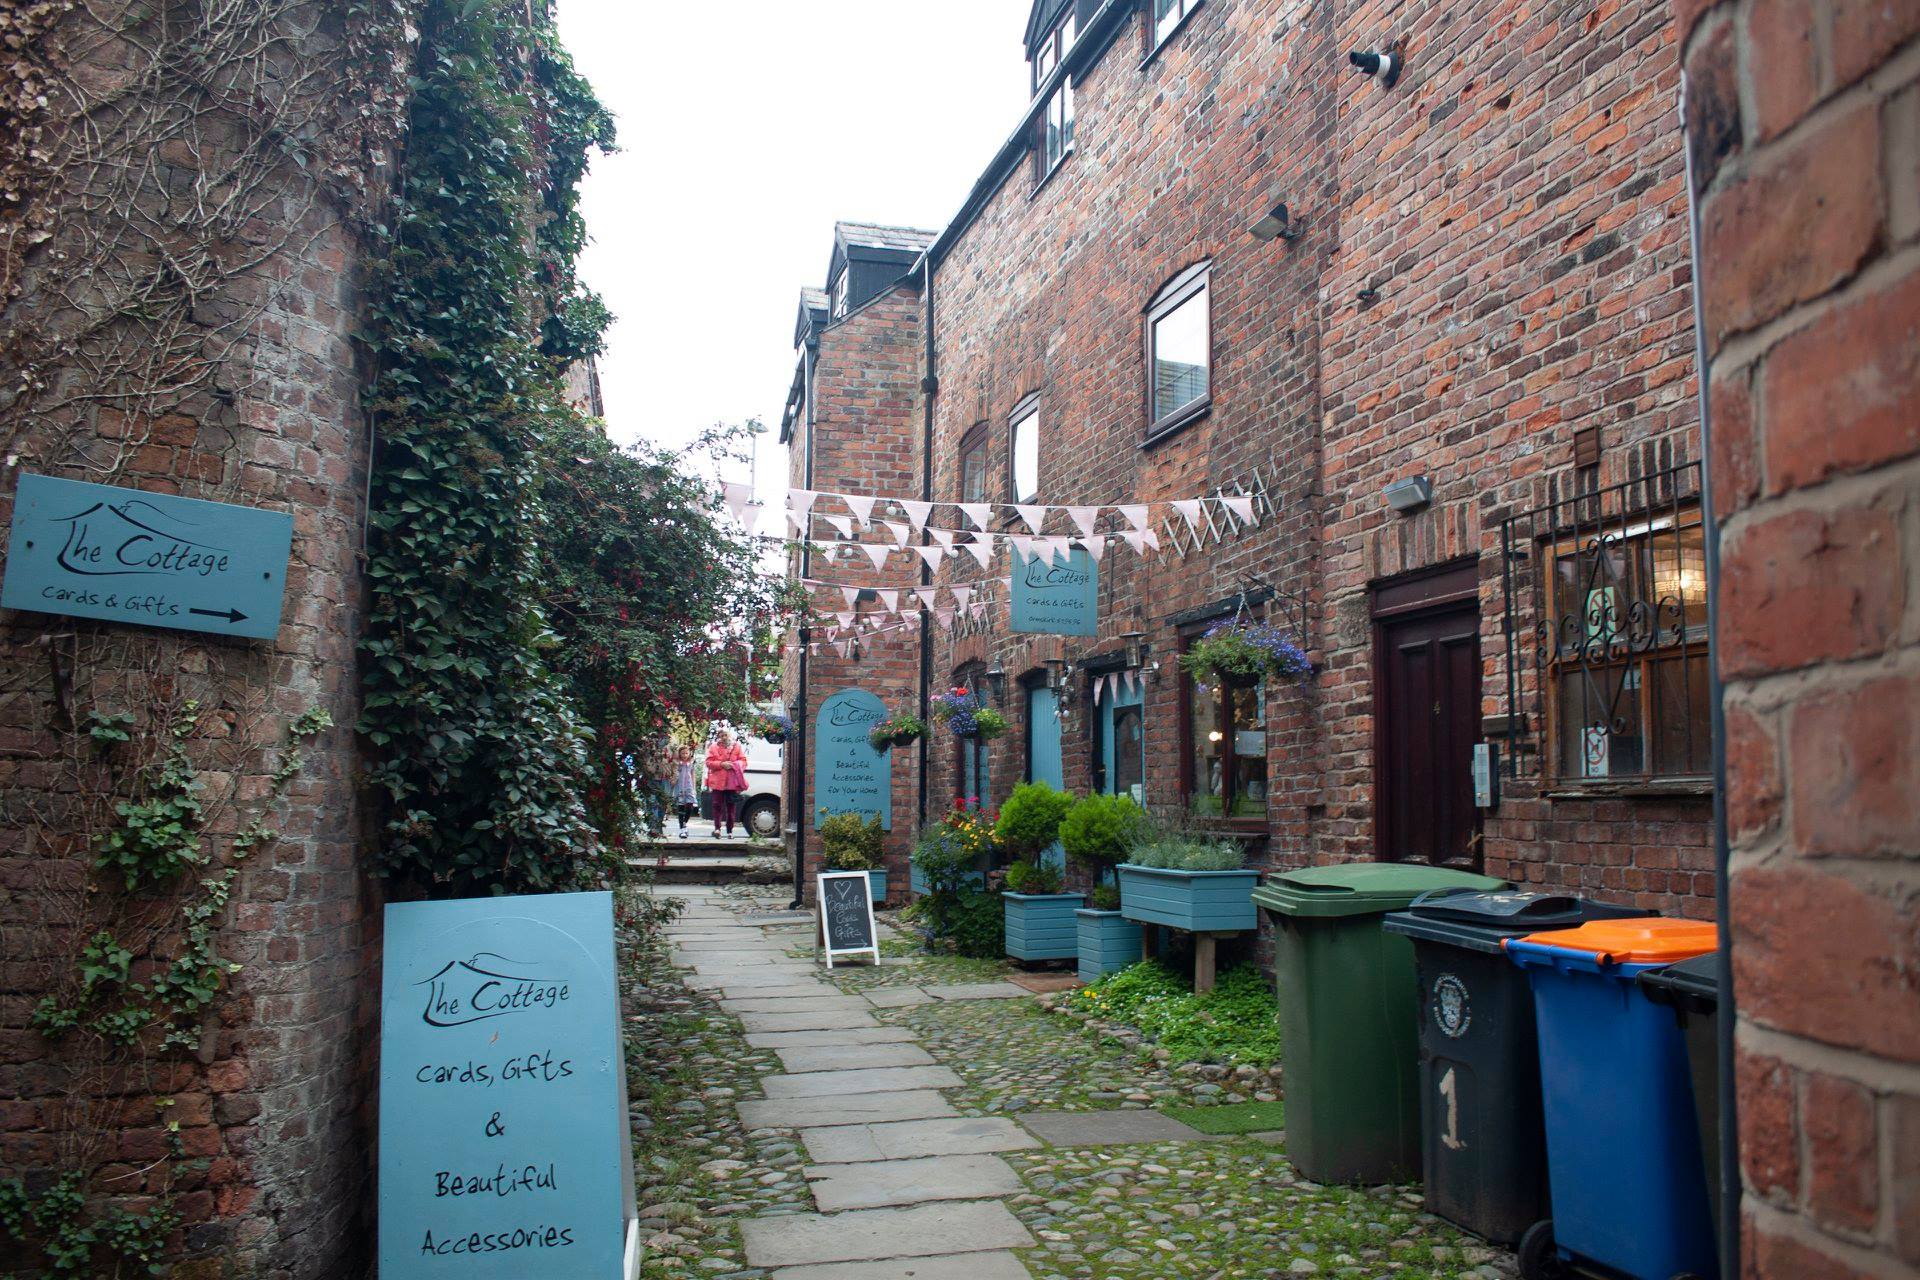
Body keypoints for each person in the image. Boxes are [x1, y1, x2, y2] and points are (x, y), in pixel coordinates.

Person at [704, 729, 748, 839]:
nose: (724, 737)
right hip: (717, 782)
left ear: (729, 736)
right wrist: (722, 764)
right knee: (717, 806)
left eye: (726, 735)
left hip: (731, 783)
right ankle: (717, 829)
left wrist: (734, 765)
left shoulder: (737, 747)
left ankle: (730, 831)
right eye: (721, 735)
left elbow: (744, 761)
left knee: (731, 807)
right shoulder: (713, 747)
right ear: (718, 737)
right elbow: (708, 762)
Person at [672, 745, 699, 839]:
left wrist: (694, 788)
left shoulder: (691, 763)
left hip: (689, 787)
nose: (684, 755)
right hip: (679, 787)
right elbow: (674, 774)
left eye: (686, 753)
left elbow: (693, 775)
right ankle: (682, 829)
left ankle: (684, 823)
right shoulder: (677, 763)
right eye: (682, 753)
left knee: (690, 805)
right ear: (679, 754)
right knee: (681, 807)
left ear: (689, 753)